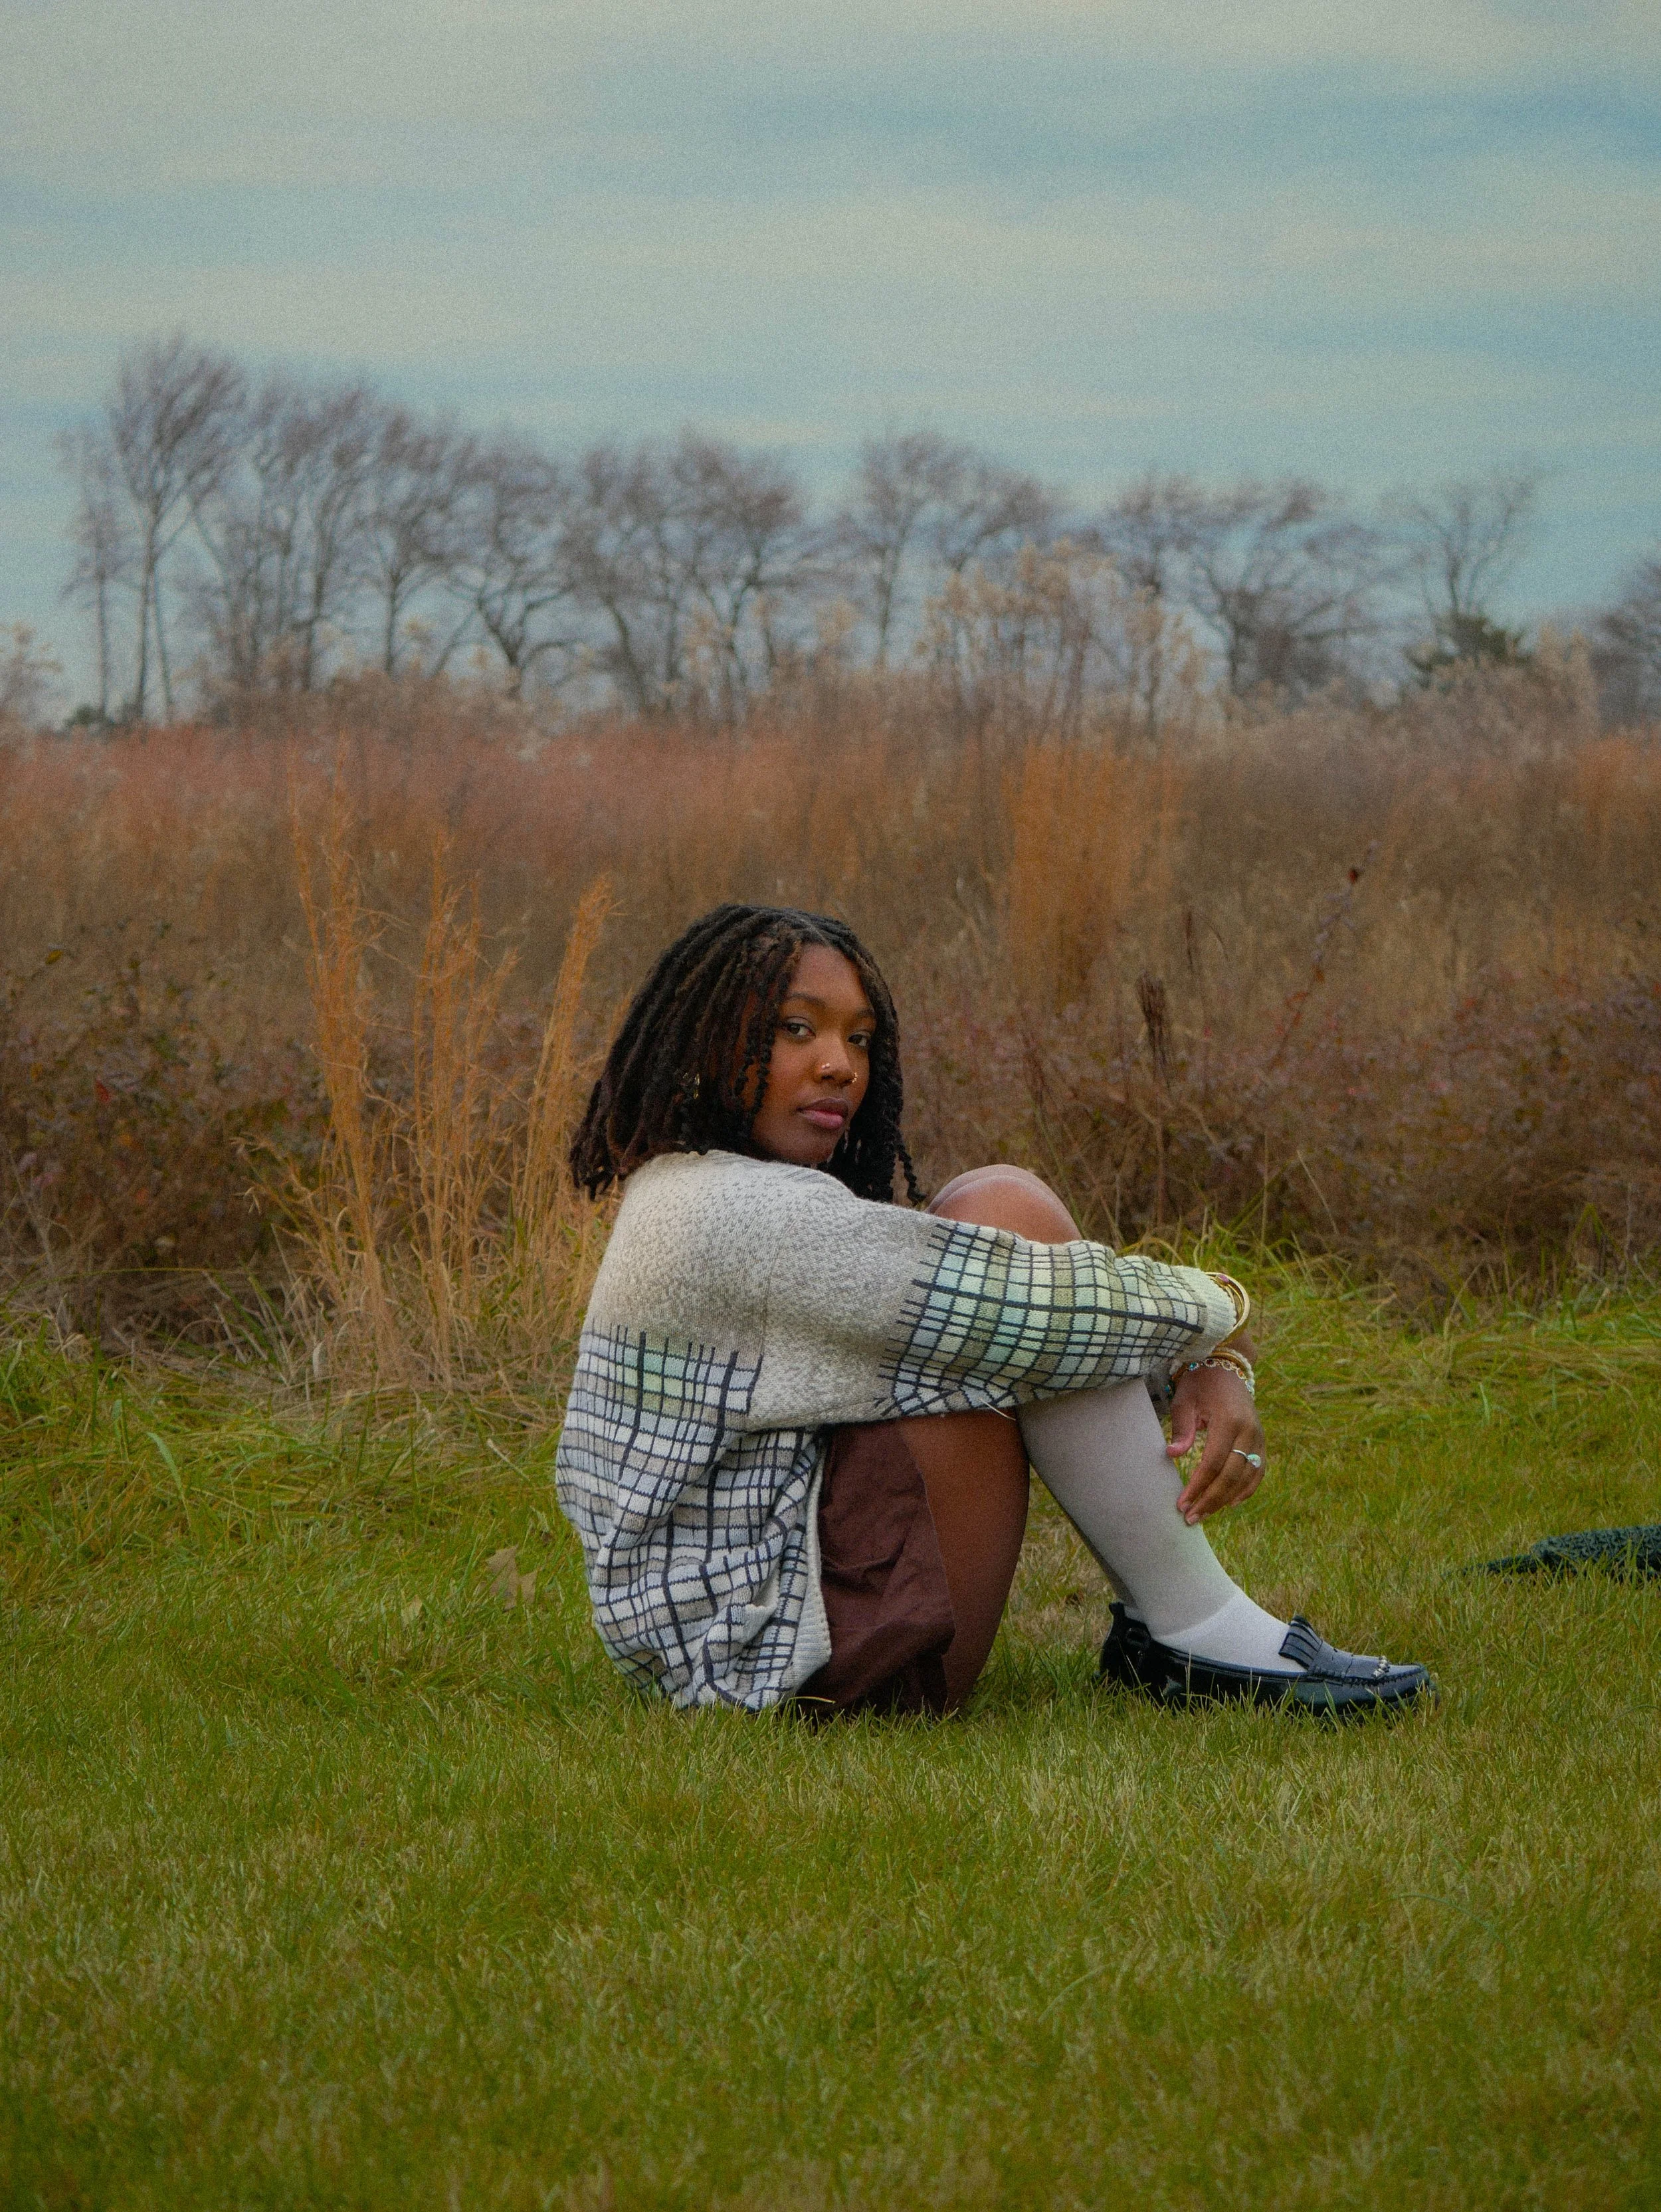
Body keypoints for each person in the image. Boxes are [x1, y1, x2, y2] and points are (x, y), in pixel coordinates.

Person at [556, 903, 1432, 1720]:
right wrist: (1222, 1326)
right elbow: (1037, 1316)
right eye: (797, 1029)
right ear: (708, 1042)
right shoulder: (735, 1215)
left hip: (717, 1638)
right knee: (1014, 1240)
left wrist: (1200, 1351)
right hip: (767, 1663)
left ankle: (1181, 1629)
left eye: (859, 1039)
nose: (840, 1065)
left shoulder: (690, 1191)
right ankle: (1198, 1633)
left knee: (997, 1224)